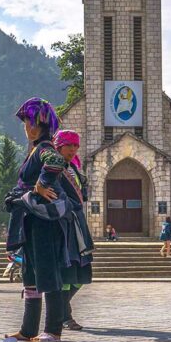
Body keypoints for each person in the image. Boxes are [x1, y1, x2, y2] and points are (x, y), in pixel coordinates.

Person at [3, 98, 68, 342]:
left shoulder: (44, 148)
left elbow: (56, 162)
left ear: (37, 124)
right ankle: (28, 328)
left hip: (43, 221)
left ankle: (53, 330)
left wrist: (41, 184)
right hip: (30, 218)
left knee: (47, 271)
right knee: (30, 272)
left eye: (28, 121)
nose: (25, 126)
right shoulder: (34, 149)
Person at [53, 130, 94, 331]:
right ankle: (64, 315)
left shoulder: (73, 169)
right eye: (69, 145)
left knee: (82, 271)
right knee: (69, 271)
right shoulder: (54, 168)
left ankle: (60, 310)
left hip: (78, 223)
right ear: (59, 146)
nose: (73, 149)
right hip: (64, 225)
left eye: (76, 146)